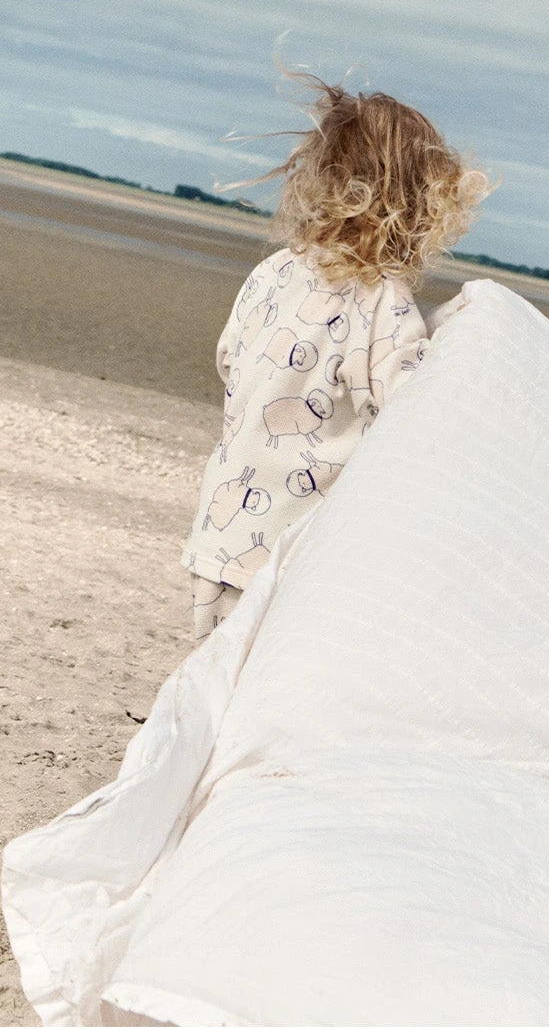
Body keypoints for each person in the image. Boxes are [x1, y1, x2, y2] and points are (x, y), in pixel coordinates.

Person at [182, 75, 491, 640]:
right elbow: (408, 410)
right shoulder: (382, 299)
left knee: (215, 674)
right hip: (294, 550)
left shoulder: (273, 270)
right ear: (419, 206)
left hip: (222, 528)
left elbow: (230, 360)